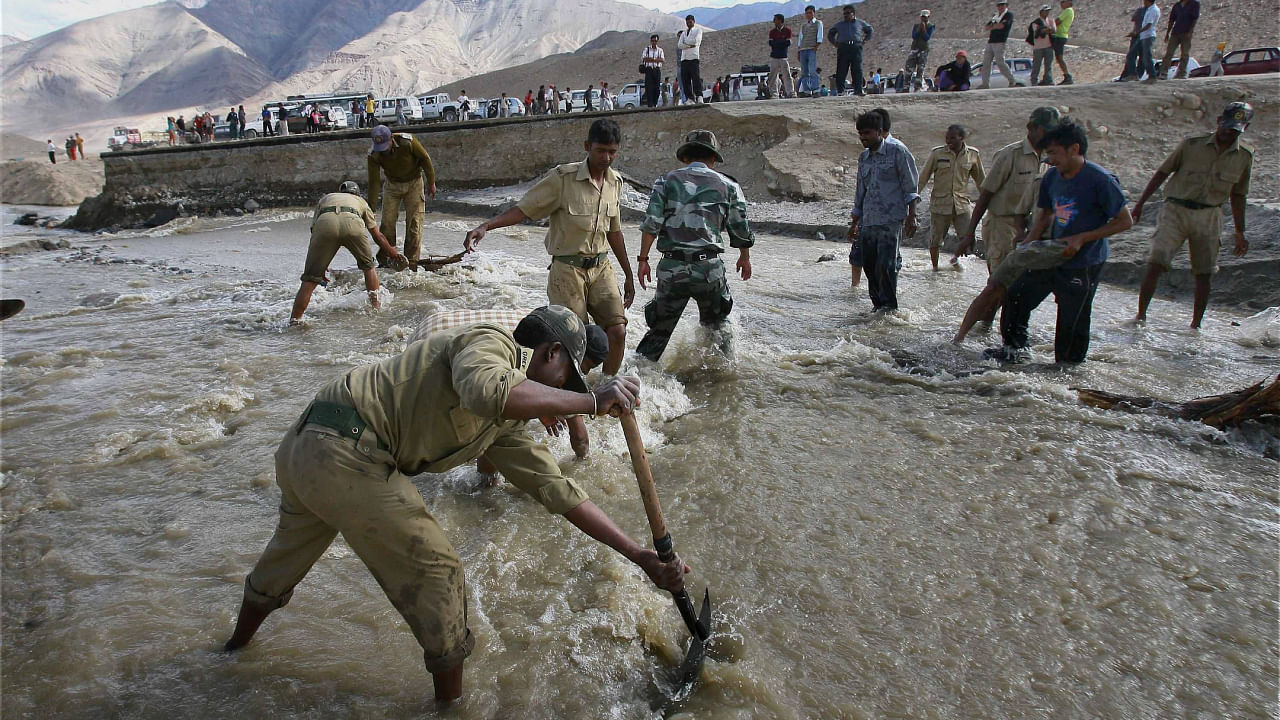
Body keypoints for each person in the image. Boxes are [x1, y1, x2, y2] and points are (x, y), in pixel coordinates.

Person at [222, 305, 688, 703]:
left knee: (283, 561)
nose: (562, 396)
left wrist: (640, 557)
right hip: (347, 445)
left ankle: (229, 657)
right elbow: (486, 389)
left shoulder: (503, 428)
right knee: (439, 571)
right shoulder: (490, 344)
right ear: (550, 355)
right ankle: (453, 708)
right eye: (567, 376)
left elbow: (559, 492)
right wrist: (588, 400)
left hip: (313, 448)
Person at [464, 119, 634, 376]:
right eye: (601, 150)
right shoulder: (562, 179)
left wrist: (629, 274)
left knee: (617, 330)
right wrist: (487, 226)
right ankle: (573, 396)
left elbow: (615, 232)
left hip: (601, 268)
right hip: (567, 271)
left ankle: (608, 387)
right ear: (587, 146)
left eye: (612, 152)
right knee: (575, 339)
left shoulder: (615, 182)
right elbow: (524, 210)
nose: (606, 157)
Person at [985, 120, 1132, 363]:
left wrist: (1082, 237)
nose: (1050, 159)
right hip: (1051, 253)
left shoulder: (1100, 180)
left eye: (1054, 153)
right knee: (1016, 296)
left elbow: (1125, 221)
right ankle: (1015, 350)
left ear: (1074, 149)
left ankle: (1067, 368)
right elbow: (1045, 214)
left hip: (1085, 260)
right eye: (1047, 153)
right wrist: (1029, 243)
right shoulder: (1052, 176)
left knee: (1072, 316)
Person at [409, 308, 611, 467]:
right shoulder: (548, 363)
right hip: (447, 351)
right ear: (558, 353)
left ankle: (484, 481)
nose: (569, 380)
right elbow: (580, 436)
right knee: (488, 416)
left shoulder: (542, 327)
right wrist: (583, 462)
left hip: (434, 331)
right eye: (582, 369)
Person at [634, 130, 754, 361]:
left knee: (658, 334)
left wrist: (643, 260)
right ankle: (723, 378)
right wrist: (744, 257)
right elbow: (739, 227)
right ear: (713, 159)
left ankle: (638, 380)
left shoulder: (665, 181)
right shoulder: (729, 185)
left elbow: (651, 224)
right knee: (718, 330)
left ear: (686, 157)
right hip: (709, 270)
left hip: (672, 269)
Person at [1132, 102, 1253, 329]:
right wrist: (1139, 204)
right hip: (1175, 210)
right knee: (1156, 260)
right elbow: (1162, 173)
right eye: (1226, 126)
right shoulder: (1191, 145)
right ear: (1219, 121)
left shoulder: (1244, 156)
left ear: (1244, 128)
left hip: (1209, 215)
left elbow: (1239, 195)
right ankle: (1140, 316)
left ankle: (1196, 325)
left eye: (1235, 130)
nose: (1229, 132)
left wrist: (1240, 231)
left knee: (1205, 272)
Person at [954, 107, 1060, 325]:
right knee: (999, 285)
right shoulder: (1010, 155)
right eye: (1045, 130)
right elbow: (985, 195)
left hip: (1028, 229)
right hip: (1001, 227)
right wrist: (969, 233)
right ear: (1031, 128)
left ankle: (996, 330)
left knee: (1016, 288)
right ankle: (984, 329)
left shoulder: (1051, 158)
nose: (1049, 136)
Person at [290, 181, 404, 322]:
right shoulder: (360, 201)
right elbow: (378, 236)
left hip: (325, 225)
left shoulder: (326, 198)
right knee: (369, 268)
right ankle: (376, 308)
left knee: (309, 280)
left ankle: (295, 321)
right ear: (356, 193)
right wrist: (394, 254)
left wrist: (321, 267)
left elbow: (315, 232)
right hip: (353, 223)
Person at [848, 111, 919, 311]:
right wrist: (854, 223)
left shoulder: (898, 152)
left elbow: (910, 188)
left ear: (880, 132)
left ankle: (889, 309)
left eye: (867, 133)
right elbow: (860, 191)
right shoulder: (864, 158)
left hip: (891, 220)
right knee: (870, 267)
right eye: (860, 133)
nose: (863, 137)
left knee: (886, 267)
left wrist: (912, 216)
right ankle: (877, 307)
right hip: (869, 220)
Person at [368, 124, 437, 268]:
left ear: (391, 139)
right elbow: (374, 182)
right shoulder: (374, 155)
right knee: (387, 224)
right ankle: (388, 258)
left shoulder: (407, 142)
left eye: (386, 146)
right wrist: (371, 209)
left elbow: (425, 159)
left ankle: (411, 262)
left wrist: (431, 183)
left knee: (414, 223)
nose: (384, 151)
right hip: (392, 186)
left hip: (414, 184)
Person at [918, 125, 985, 270]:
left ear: (962, 138)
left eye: (952, 138)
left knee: (968, 236)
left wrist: (988, 201)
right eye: (947, 138)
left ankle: (955, 260)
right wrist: (912, 198)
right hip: (940, 204)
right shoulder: (937, 154)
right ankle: (935, 269)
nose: (949, 141)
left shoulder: (972, 155)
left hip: (961, 204)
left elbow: (981, 180)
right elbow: (923, 177)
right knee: (936, 240)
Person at [829, 4, 873, 96]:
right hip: (843, 48)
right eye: (844, 13)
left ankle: (859, 90)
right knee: (841, 69)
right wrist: (835, 43)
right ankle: (840, 91)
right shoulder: (839, 25)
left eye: (848, 13)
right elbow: (830, 34)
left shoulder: (860, 23)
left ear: (853, 13)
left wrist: (865, 40)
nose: (846, 15)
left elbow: (870, 30)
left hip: (856, 47)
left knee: (857, 69)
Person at [979, 1, 1021, 89]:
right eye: (999, 5)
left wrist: (993, 26)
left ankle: (1012, 80)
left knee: (1000, 62)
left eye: (1002, 5)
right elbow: (987, 27)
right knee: (986, 63)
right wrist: (995, 25)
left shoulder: (1008, 15)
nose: (1000, 7)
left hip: (1000, 41)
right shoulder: (996, 16)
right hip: (991, 41)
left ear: (1006, 5)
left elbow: (1002, 25)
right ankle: (985, 83)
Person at [1158, 0, 1199, 81]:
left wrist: (1190, 31)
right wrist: (1167, 33)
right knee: (1169, 53)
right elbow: (1172, 20)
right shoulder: (1177, 5)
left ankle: (1181, 73)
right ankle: (1163, 72)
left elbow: (1195, 19)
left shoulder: (1194, 4)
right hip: (1175, 33)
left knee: (1185, 54)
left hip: (1186, 33)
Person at [794, 5, 824, 96]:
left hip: (811, 49)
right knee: (804, 71)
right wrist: (799, 51)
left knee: (812, 70)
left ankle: (815, 89)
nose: (808, 15)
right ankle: (806, 90)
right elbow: (800, 38)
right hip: (803, 49)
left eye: (810, 12)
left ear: (814, 13)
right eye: (807, 13)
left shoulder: (818, 23)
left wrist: (816, 46)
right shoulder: (803, 25)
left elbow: (820, 36)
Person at [766, 14, 796, 99]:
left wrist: (777, 43)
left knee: (787, 75)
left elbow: (788, 43)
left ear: (780, 20)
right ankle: (774, 93)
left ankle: (790, 92)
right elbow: (771, 43)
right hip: (774, 56)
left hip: (783, 56)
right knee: (773, 76)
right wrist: (781, 42)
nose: (773, 21)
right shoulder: (772, 32)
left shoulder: (787, 31)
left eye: (775, 19)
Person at [905, 10, 934, 92]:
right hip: (914, 48)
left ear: (928, 17)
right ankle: (906, 86)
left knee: (920, 68)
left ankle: (917, 87)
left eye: (925, 17)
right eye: (922, 17)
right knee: (909, 67)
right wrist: (918, 29)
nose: (923, 18)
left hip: (923, 49)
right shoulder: (916, 26)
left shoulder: (931, 26)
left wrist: (924, 29)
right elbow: (914, 36)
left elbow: (927, 38)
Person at [678, 15, 704, 105]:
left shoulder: (698, 31)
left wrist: (686, 43)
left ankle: (699, 96)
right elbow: (679, 45)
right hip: (684, 58)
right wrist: (689, 45)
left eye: (690, 21)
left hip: (693, 57)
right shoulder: (683, 33)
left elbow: (696, 41)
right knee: (685, 80)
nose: (689, 23)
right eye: (687, 21)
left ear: (693, 21)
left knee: (695, 78)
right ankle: (690, 98)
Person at [1030, 4, 1057, 86]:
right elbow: (1036, 33)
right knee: (1036, 65)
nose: (1047, 13)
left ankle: (1048, 80)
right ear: (1041, 12)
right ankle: (1034, 81)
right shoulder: (1035, 23)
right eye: (1045, 11)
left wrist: (1045, 30)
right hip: (1038, 48)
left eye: (1048, 11)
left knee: (1048, 65)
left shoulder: (1051, 21)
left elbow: (1054, 30)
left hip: (1048, 46)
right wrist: (1046, 30)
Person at [1135, 0, 1161, 83]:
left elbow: (1149, 24)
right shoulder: (1149, 9)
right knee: (1144, 57)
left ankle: (1152, 76)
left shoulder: (1153, 10)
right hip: (1144, 36)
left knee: (1147, 56)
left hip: (1148, 35)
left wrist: (1138, 32)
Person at [1051, 0, 1076, 84]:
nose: (1061, 3)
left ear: (1069, 2)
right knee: (1058, 57)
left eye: (1063, 1)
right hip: (1060, 35)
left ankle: (1067, 76)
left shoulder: (1068, 10)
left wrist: (1049, 25)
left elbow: (1057, 21)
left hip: (1059, 36)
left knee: (1059, 57)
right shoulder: (1069, 11)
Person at [641, 34, 664, 107]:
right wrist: (655, 60)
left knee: (657, 88)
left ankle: (655, 103)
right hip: (649, 70)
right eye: (653, 41)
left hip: (657, 70)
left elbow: (662, 59)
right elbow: (644, 58)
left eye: (655, 41)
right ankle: (650, 104)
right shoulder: (646, 49)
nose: (654, 42)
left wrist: (651, 60)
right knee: (649, 87)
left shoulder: (660, 50)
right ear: (651, 41)